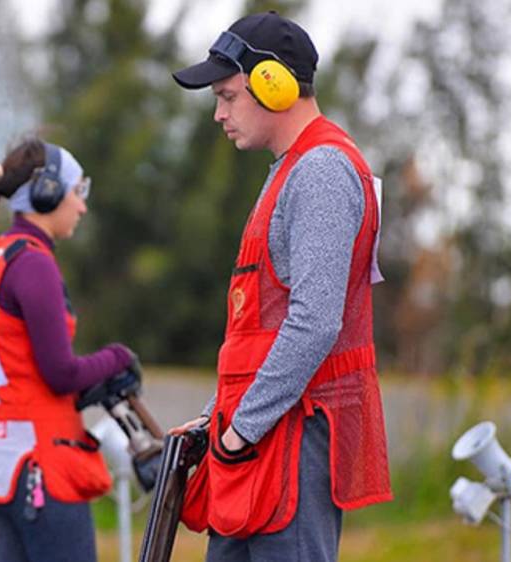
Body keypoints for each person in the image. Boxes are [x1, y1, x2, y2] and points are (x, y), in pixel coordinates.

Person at [168, 11, 393, 562]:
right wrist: (213, 416)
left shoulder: (319, 171)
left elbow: (315, 320)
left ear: (275, 84)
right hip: (263, 434)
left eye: (227, 95)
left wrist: (237, 430)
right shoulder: (292, 168)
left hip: (289, 439)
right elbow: (260, 328)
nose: (219, 113)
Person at [0, 139, 137, 562]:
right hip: (40, 459)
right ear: (48, 191)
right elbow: (60, 373)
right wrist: (118, 358)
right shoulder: (33, 262)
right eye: (78, 191)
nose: (82, 206)